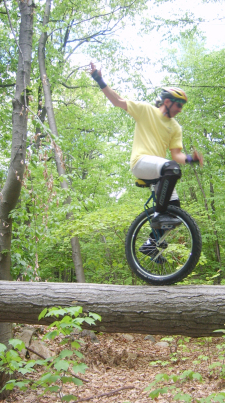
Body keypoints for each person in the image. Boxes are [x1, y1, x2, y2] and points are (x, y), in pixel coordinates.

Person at [89, 62, 203, 261]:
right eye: (178, 104)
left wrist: (192, 159)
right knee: (172, 170)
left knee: (175, 212)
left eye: (183, 106)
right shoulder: (145, 110)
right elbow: (118, 101)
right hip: (141, 162)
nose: (181, 109)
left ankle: (151, 245)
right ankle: (158, 215)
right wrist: (99, 79)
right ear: (167, 101)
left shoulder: (175, 127)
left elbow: (176, 155)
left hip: (160, 170)